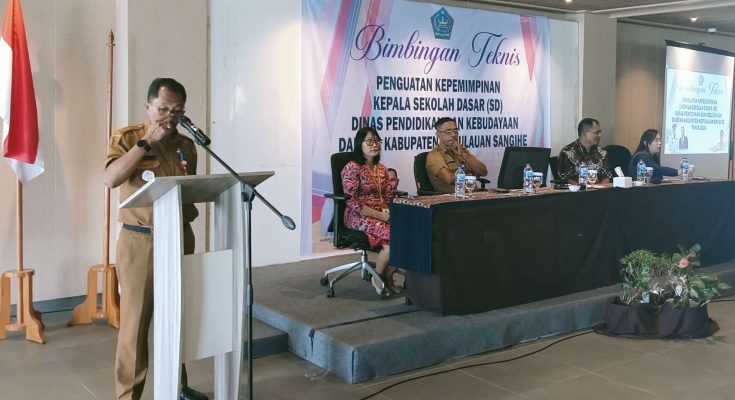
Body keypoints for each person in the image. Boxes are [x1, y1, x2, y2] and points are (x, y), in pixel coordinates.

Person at [105, 78, 208, 400]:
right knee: (135, 323)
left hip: (179, 237)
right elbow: (111, 178)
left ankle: (178, 385)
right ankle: (128, 395)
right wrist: (146, 142)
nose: (169, 117)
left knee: (177, 316)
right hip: (141, 241)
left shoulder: (186, 145)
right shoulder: (127, 138)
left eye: (177, 111)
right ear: (148, 106)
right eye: (163, 109)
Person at [341, 127, 397, 295]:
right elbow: (351, 200)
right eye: (370, 141)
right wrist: (381, 216)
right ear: (360, 144)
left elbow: (388, 196)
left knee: (408, 234)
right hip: (358, 215)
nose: (375, 145)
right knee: (393, 237)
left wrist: (390, 213)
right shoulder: (352, 168)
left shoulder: (382, 169)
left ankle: (388, 274)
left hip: (382, 213)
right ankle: (378, 277)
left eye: (377, 141)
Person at [425, 117, 488, 193]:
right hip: (453, 197)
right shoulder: (434, 156)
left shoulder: (461, 151)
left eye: (455, 131)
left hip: (473, 194)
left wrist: (463, 155)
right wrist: (469, 175)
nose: (453, 135)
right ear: (438, 134)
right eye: (448, 131)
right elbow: (449, 179)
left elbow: (483, 172)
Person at [557, 117, 612, 184]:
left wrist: (600, 188)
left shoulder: (602, 152)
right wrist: (582, 187)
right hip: (576, 189)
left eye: (600, 132)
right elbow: (565, 179)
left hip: (599, 189)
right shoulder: (567, 152)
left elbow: (606, 177)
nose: (599, 135)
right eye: (596, 133)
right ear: (583, 134)